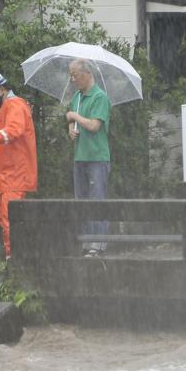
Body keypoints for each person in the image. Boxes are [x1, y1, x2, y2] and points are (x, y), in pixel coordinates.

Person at [0, 71, 37, 259]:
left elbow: (14, 130)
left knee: (10, 221)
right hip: (8, 176)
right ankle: (15, 261)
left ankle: (16, 263)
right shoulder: (6, 108)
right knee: (8, 221)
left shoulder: (14, 106)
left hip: (14, 175)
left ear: (0, 90)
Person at [65, 58, 112, 257]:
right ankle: (86, 242)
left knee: (97, 200)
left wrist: (74, 118)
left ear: (87, 74)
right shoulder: (76, 97)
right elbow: (73, 122)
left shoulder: (100, 97)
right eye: (71, 75)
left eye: (75, 75)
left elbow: (94, 126)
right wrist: (70, 129)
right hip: (80, 156)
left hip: (97, 157)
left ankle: (98, 244)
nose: (73, 79)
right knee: (81, 201)